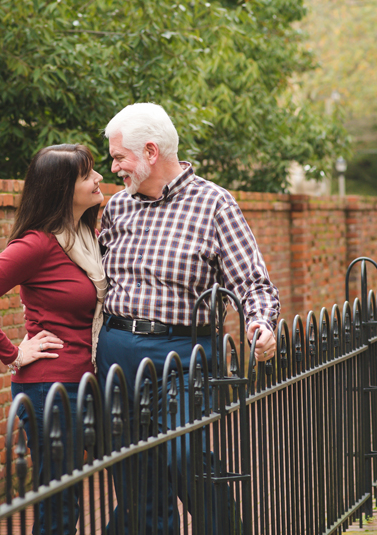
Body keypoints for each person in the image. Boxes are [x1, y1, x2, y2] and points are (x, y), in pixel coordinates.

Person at [97, 102, 279, 534]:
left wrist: (261, 324)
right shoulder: (118, 208)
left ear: (151, 152)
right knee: (134, 470)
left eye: (119, 157)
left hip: (184, 356)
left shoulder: (214, 204)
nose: (115, 167)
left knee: (183, 454)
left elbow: (253, 282)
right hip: (117, 352)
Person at [0, 144, 106, 535]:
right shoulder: (37, 244)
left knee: (72, 494)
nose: (98, 179)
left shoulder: (88, 235)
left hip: (85, 382)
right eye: (87, 175)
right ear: (61, 187)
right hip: (49, 389)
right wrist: (13, 353)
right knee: (59, 503)